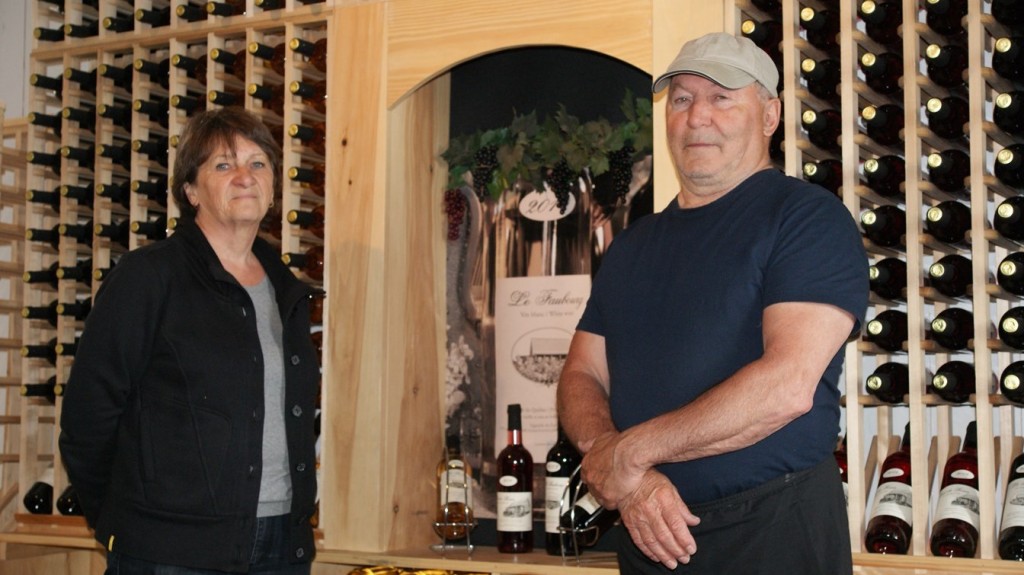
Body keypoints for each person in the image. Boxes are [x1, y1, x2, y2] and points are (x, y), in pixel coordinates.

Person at [556, 32, 867, 574]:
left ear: (769, 116)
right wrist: (626, 472)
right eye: (681, 99)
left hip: (772, 532)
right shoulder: (632, 245)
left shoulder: (807, 219)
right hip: (648, 530)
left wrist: (631, 453)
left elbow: (786, 387)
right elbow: (582, 372)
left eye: (722, 97)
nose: (697, 116)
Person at [59, 108, 320, 574]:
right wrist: (127, 527)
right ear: (191, 191)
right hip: (171, 551)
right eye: (223, 164)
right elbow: (87, 418)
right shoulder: (149, 277)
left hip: (282, 544)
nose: (245, 176)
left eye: (258, 163)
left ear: (273, 186)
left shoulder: (287, 291)